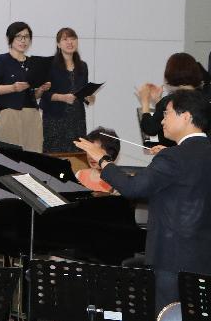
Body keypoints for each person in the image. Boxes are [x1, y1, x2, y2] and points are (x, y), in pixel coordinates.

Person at [76, 90, 211, 310]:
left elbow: (133, 188)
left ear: (186, 116)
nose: (162, 120)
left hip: (172, 260)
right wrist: (168, 156)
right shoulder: (187, 154)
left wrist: (102, 160)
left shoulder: (173, 157)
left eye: (166, 114)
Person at [0, 21, 51, 152]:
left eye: (26, 37)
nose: (23, 40)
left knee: (34, 156)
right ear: (9, 38)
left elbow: (32, 95)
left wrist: (40, 90)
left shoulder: (32, 62)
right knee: (11, 156)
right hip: (10, 114)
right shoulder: (1, 60)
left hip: (32, 115)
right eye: (19, 36)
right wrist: (13, 88)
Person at [136, 53, 206, 148]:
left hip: (175, 153)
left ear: (171, 73)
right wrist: (158, 101)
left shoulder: (171, 100)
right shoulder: (204, 98)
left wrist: (145, 102)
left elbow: (150, 129)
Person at [41, 27, 90, 153]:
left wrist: (88, 97)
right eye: (65, 39)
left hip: (77, 119)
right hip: (55, 119)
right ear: (58, 44)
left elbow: (83, 91)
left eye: (73, 39)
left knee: (77, 154)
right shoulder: (49, 64)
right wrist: (62, 97)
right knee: (55, 156)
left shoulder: (83, 66)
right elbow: (44, 94)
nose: (70, 42)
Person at [74, 127, 120, 193]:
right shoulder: (79, 175)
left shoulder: (119, 180)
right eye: (89, 150)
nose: (91, 156)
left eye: (96, 151)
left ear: (111, 154)